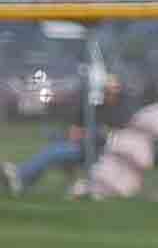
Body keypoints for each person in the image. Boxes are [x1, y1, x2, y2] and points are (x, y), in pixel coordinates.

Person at [2, 78, 130, 198]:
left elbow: (117, 137)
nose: (110, 95)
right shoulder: (92, 109)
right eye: (107, 91)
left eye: (113, 91)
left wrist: (96, 134)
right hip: (80, 148)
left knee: (53, 152)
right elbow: (74, 133)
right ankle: (21, 179)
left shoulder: (120, 113)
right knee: (52, 150)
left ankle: (19, 176)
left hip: (100, 153)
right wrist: (90, 134)